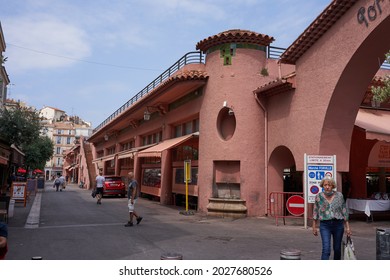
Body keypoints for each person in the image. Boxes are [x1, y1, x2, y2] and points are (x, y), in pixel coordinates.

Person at [312, 176, 352, 260]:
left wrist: (348, 227)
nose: (327, 187)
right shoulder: (319, 197)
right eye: (325, 185)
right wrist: (314, 226)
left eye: (329, 185)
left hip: (338, 225)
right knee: (326, 249)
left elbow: (344, 211)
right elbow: (315, 211)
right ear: (322, 185)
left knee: (337, 249)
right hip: (324, 225)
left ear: (332, 186)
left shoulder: (339, 196)